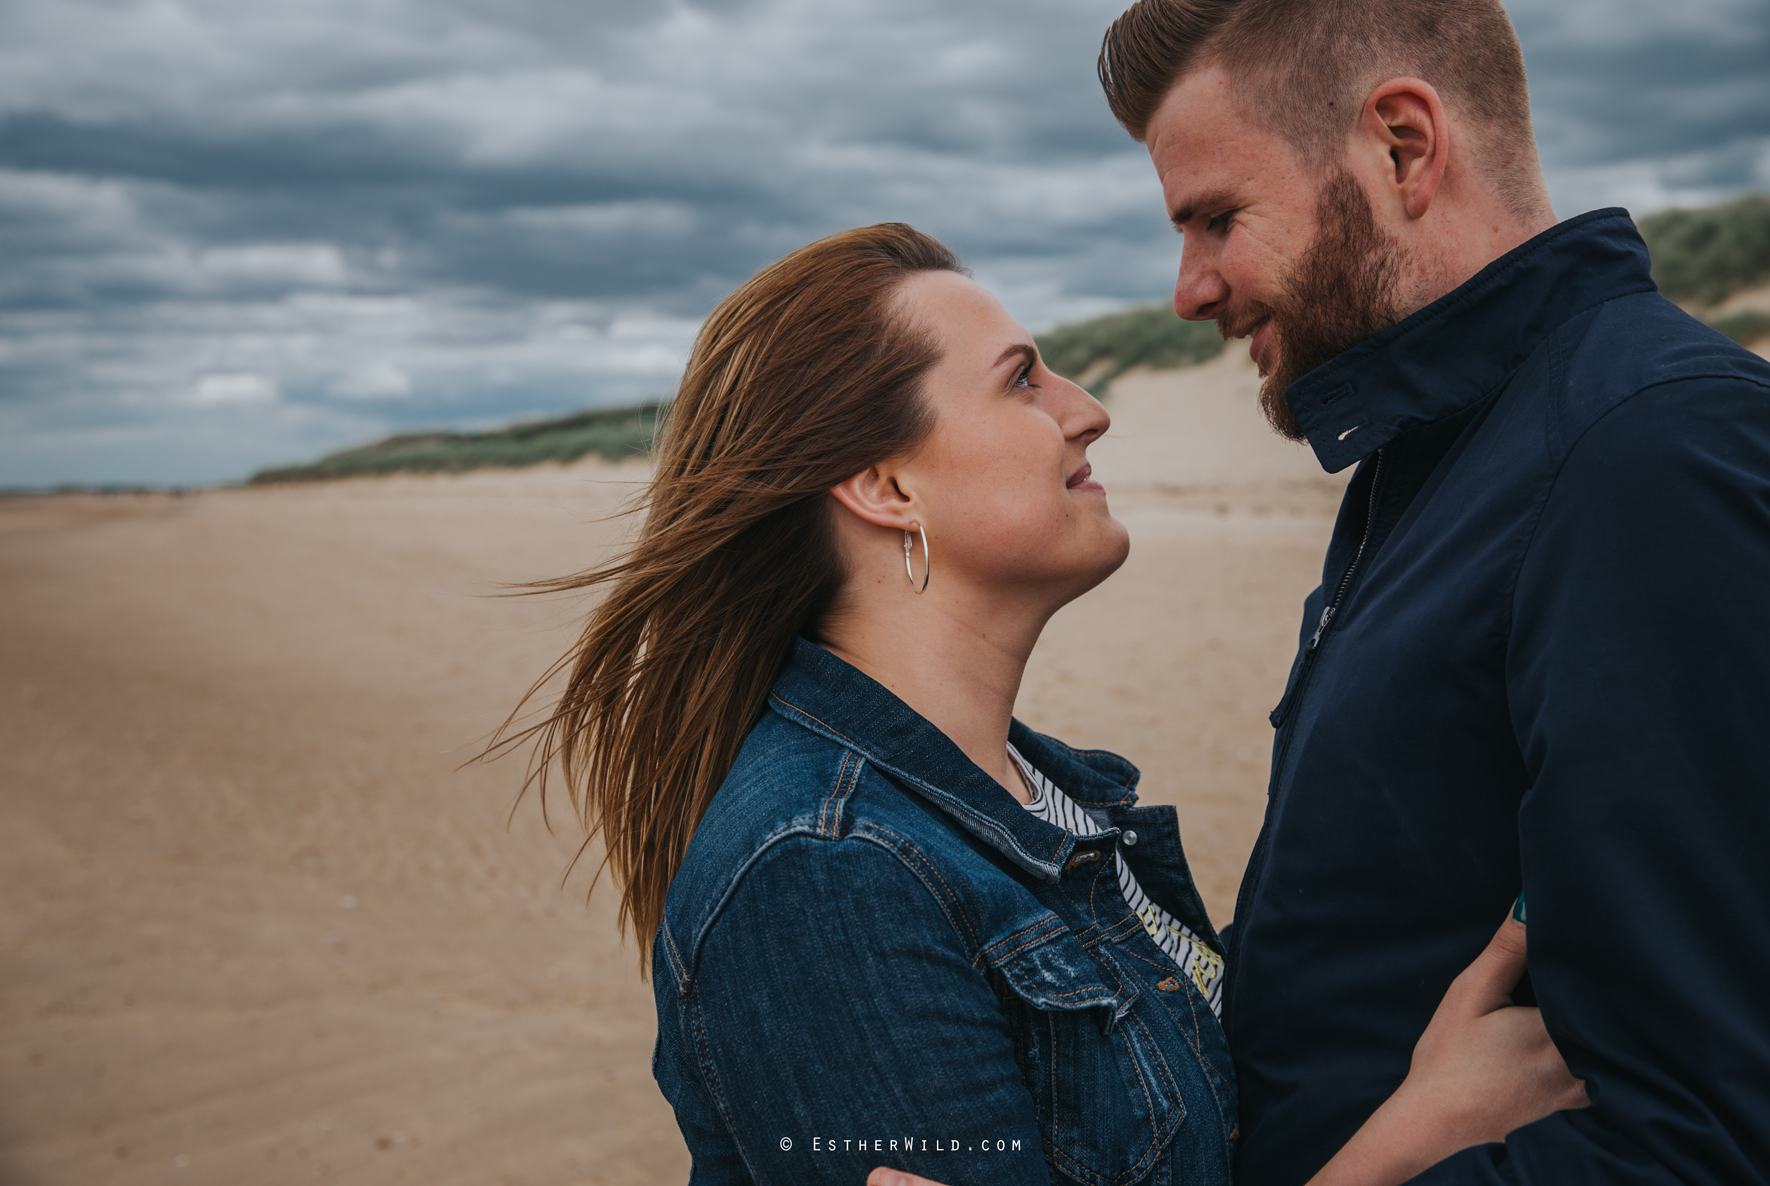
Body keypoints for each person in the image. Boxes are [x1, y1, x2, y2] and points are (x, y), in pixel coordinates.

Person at [500, 222, 1584, 1186]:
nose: (1089, 410)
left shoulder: (1041, 793)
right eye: (1023, 381)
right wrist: (1425, 1128)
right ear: (885, 486)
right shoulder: (828, 871)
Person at [1077, 0, 1770, 1183]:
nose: (1189, 289)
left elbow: (1721, 1135)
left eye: (1215, 219)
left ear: (1403, 145)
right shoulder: (1437, 453)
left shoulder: (1652, 454)